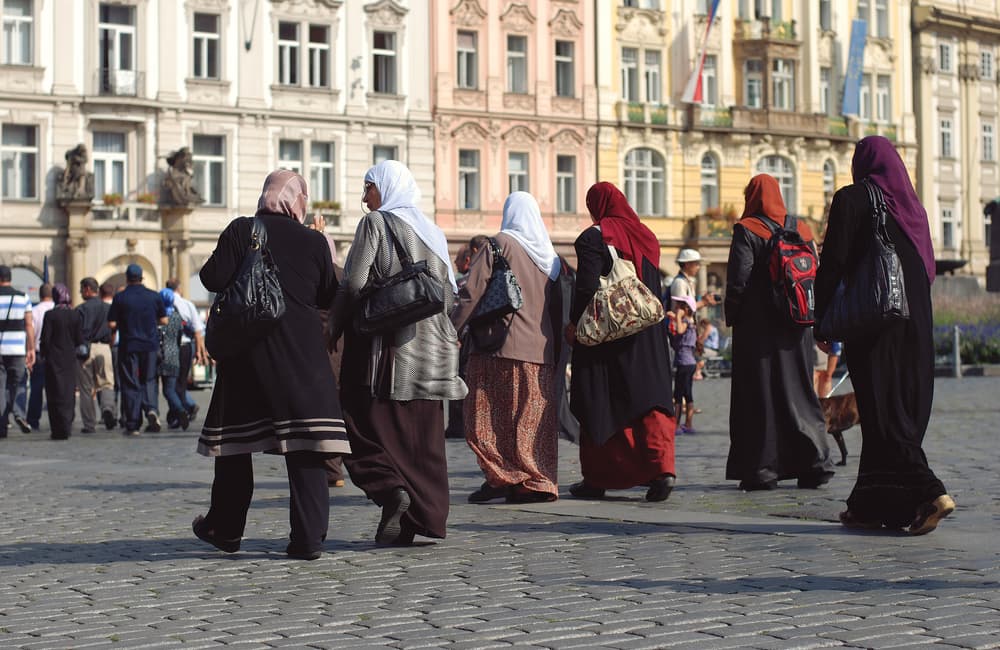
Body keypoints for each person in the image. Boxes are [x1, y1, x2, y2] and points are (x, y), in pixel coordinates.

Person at [194, 169, 348, 561]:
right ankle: (308, 539)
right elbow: (329, 295)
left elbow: (212, 277)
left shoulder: (242, 229)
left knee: (234, 447)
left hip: (247, 356)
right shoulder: (313, 242)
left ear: (266, 195)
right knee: (307, 447)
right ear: (298, 201)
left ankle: (225, 529)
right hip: (300, 356)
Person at [815, 135, 954, 534]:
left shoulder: (852, 199)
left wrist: (822, 319)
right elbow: (925, 271)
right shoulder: (914, 210)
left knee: (883, 413)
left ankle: (931, 491)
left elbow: (834, 263)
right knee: (890, 415)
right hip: (916, 329)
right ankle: (872, 505)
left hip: (875, 324)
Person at [330, 160, 467, 546]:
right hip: (434, 353)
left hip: (389, 353)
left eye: (368, 187)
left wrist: (334, 326)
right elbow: (448, 295)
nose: (363, 198)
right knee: (421, 440)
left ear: (386, 188)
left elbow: (353, 283)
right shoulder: (434, 232)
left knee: (357, 424)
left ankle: (391, 491)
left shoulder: (376, 224)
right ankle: (418, 519)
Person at [566, 182, 676, 502]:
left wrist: (575, 325)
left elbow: (585, 288)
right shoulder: (647, 237)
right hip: (648, 335)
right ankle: (662, 470)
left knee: (602, 399)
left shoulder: (592, 237)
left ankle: (600, 477)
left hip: (609, 335)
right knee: (650, 400)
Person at [724, 174, 834, 491]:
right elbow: (816, 271)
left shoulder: (748, 229)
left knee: (760, 396)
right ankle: (814, 463)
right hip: (798, 324)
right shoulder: (802, 229)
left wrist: (732, 315)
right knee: (800, 391)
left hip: (759, 330)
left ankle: (762, 469)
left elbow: (738, 280)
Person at [451, 192, 562, 504]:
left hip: (498, 346)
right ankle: (536, 480)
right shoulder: (548, 255)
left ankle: (502, 476)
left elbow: (472, 293)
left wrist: (452, 329)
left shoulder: (498, 243)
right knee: (530, 421)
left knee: (485, 417)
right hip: (540, 350)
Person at [108, 264, 166, 436]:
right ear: (142, 277)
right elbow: (164, 320)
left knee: (130, 382)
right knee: (149, 380)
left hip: (128, 344)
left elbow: (111, 323)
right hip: (150, 344)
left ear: (127, 278)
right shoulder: (153, 296)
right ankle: (151, 409)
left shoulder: (120, 297)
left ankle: (133, 423)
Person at [39, 284, 82, 440]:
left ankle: (57, 428)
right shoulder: (75, 315)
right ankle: (67, 425)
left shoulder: (50, 315)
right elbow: (79, 339)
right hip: (69, 359)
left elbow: (45, 339)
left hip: (53, 360)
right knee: (68, 393)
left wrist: (44, 355)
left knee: (54, 393)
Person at [164, 279, 207, 426]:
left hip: (168, 346)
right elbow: (198, 330)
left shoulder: (162, 301)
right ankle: (181, 411)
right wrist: (201, 352)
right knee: (181, 383)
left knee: (169, 384)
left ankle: (178, 412)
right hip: (185, 346)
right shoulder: (187, 304)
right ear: (179, 288)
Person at [77, 277, 116, 432]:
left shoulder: (80, 309)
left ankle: (89, 424)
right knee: (107, 383)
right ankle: (107, 408)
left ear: (87, 289)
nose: (80, 293)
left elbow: (76, 332)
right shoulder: (108, 308)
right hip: (104, 347)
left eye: (81, 289)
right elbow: (113, 329)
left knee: (86, 388)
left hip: (85, 349)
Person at [0, 265, 35, 437]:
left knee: (0, 386)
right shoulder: (23, 298)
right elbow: (29, 325)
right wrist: (31, 348)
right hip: (17, 348)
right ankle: (19, 413)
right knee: (18, 383)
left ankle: (2, 424)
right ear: (10, 278)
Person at [157, 288, 188, 430]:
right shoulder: (177, 316)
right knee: (173, 387)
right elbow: (180, 336)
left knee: (168, 391)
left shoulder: (159, 316)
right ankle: (174, 417)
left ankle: (181, 411)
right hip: (175, 354)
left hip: (163, 356)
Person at [667, 294, 698, 434]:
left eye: (679, 305)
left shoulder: (685, 320)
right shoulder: (691, 321)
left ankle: (677, 426)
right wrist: (674, 318)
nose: (677, 307)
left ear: (686, 308)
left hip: (684, 363)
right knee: (687, 394)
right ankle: (689, 424)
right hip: (690, 362)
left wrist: (677, 317)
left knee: (678, 395)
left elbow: (680, 330)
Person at [26, 283, 54, 430]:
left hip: (38, 352)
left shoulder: (34, 310)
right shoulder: (59, 309)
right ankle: (56, 417)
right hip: (56, 354)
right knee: (55, 387)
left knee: (36, 388)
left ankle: (33, 419)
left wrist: (29, 349)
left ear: (40, 295)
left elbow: (30, 331)